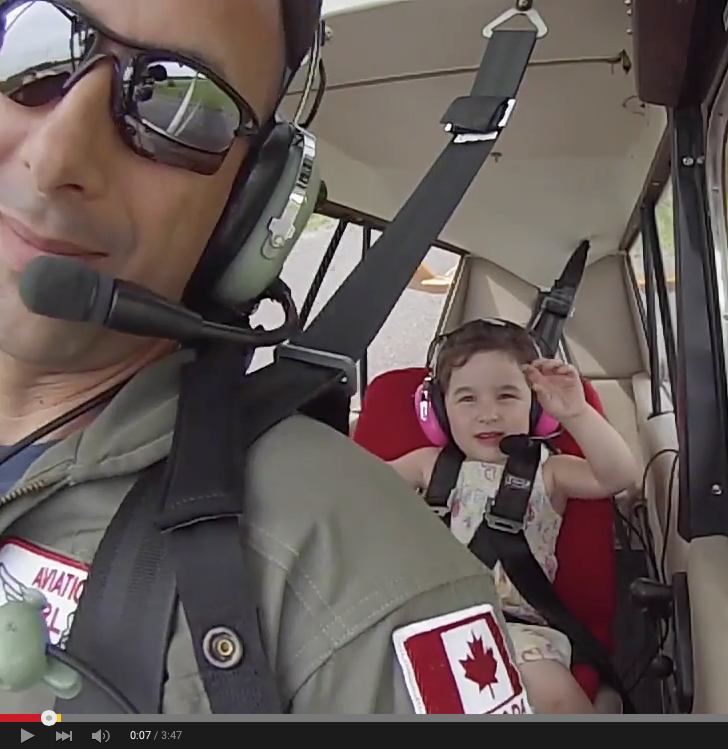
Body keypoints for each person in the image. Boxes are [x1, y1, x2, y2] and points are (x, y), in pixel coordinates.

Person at [0, 0, 531, 714]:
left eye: (182, 103)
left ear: (252, 207)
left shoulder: (360, 582)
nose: (56, 155)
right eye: (28, 42)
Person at [388, 321, 641, 713]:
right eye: (466, 399)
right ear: (437, 412)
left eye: (506, 396)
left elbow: (618, 476)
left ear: (536, 408)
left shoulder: (551, 472)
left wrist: (576, 413)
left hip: (516, 631)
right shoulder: (426, 466)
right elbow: (359, 490)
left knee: (555, 695)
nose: (488, 414)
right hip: (428, 621)